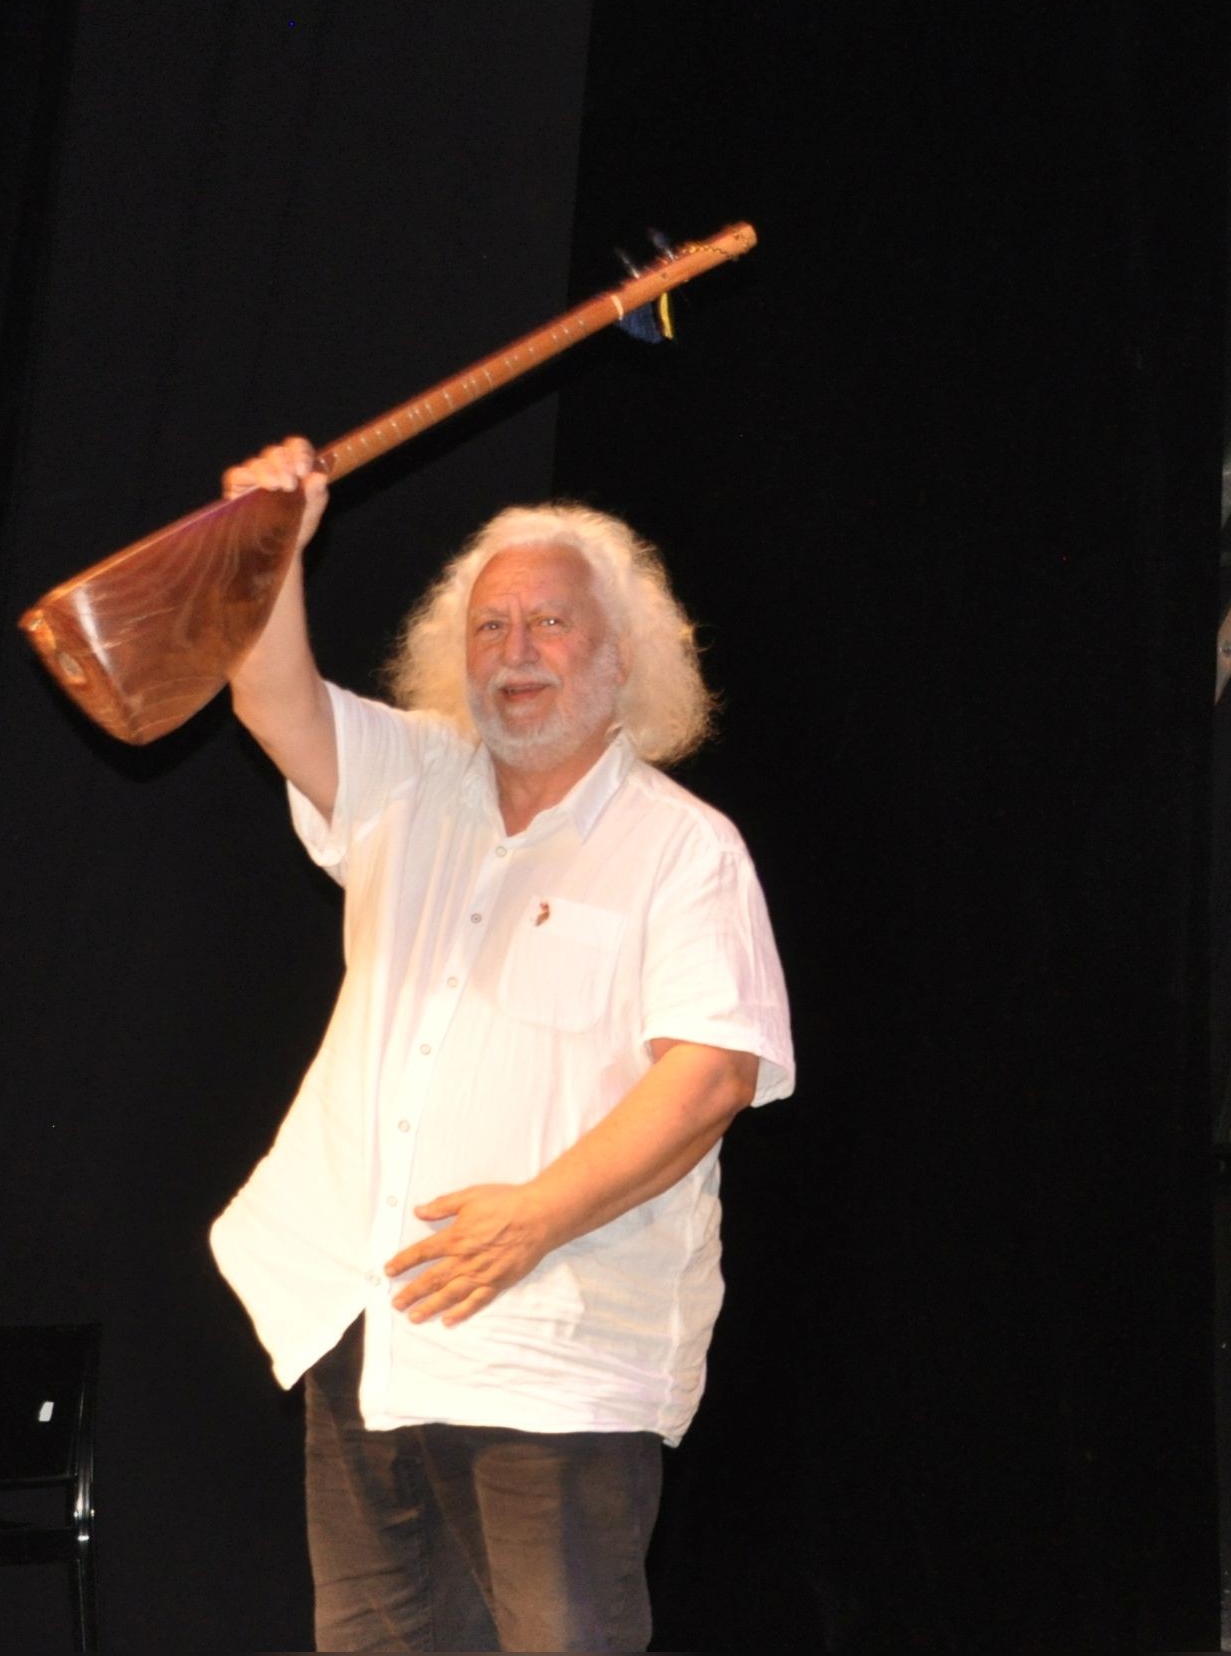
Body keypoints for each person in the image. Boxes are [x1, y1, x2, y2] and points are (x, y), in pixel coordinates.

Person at [206, 440, 794, 1652]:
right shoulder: (410, 783)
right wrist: (272, 540)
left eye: (548, 624)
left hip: (552, 1358)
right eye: (489, 626)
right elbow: (269, 696)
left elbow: (710, 1074)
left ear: (623, 657)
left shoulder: (683, 849)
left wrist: (532, 1214)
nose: (514, 650)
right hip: (366, 1330)